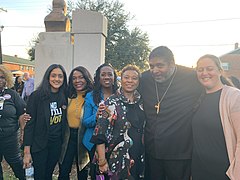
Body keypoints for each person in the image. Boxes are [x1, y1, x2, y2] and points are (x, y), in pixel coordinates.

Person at [139, 46, 202, 180]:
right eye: (151, 66)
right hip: (152, 150)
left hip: (179, 152)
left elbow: (217, 86)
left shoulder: (191, 76)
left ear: (172, 64)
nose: (155, 71)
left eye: (160, 66)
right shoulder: (144, 78)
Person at [91, 65, 145, 179]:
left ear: (139, 81)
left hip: (137, 157)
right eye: (126, 77)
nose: (130, 80)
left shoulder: (142, 102)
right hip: (114, 160)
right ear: (121, 79)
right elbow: (99, 134)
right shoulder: (110, 102)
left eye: (134, 78)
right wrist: (102, 161)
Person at [192, 54, 240, 180]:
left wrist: (236, 173)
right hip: (199, 171)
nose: (204, 73)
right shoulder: (198, 98)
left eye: (209, 68)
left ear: (220, 71)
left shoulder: (233, 96)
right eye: (200, 70)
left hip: (224, 173)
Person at [23, 64, 68, 180]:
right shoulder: (36, 96)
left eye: (60, 76)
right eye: (53, 76)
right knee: (39, 176)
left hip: (56, 145)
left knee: (48, 174)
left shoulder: (65, 96)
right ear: (48, 77)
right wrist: (27, 152)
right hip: (40, 145)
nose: (57, 79)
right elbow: (29, 125)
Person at [82, 63, 118, 179]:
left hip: (115, 143)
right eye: (103, 75)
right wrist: (96, 116)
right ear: (98, 78)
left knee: (114, 173)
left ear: (114, 77)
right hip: (94, 143)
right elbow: (86, 122)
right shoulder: (90, 96)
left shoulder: (120, 95)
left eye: (110, 74)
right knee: (99, 174)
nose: (107, 77)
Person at [58, 66, 94, 180]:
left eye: (81, 77)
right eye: (74, 78)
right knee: (63, 169)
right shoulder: (67, 95)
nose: (77, 81)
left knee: (83, 171)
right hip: (68, 137)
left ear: (87, 78)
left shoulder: (92, 96)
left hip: (84, 136)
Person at [0, 65, 26, 180]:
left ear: (7, 79)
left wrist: (23, 132)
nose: (0, 80)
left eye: (2, 77)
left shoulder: (12, 94)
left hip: (10, 137)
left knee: (16, 163)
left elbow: (21, 114)